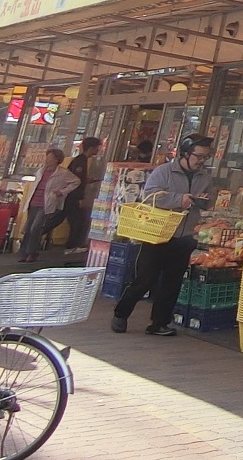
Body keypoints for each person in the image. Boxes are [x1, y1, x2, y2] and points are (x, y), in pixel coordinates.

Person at [111, 133, 214, 336]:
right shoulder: (164, 171)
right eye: (198, 156)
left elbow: (209, 200)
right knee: (144, 280)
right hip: (156, 235)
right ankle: (121, 314)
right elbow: (149, 196)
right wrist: (178, 199)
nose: (202, 161)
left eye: (206, 157)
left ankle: (159, 323)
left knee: (172, 283)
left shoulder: (205, 178)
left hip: (185, 236)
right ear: (185, 154)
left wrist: (204, 201)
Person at [17, 148, 78, 262]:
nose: (47, 160)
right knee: (29, 227)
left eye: (50, 158)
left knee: (36, 227)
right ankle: (24, 252)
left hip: (46, 203)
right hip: (34, 200)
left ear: (57, 160)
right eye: (47, 157)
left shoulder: (63, 173)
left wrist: (61, 192)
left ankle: (32, 252)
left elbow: (76, 181)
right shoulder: (41, 170)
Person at [63, 136, 104, 250]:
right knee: (78, 221)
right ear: (91, 148)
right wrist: (80, 198)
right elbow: (77, 180)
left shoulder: (81, 160)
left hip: (71, 196)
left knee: (76, 220)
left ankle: (73, 245)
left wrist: (88, 180)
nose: (98, 150)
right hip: (73, 197)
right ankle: (72, 246)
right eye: (97, 148)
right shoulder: (80, 161)